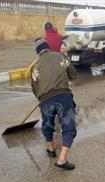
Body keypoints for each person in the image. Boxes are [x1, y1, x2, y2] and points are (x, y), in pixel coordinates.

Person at [31, 37, 77, 170]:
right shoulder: (60, 56)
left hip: (45, 99)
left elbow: (35, 88)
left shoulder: (35, 66)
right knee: (68, 127)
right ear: (48, 47)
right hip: (63, 96)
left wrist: (42, 99)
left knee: (48, 124)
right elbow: (73, 74)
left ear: (38, 53)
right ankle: (62, 160)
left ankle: (51, 149)